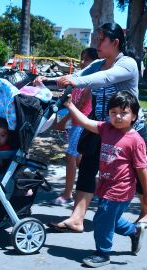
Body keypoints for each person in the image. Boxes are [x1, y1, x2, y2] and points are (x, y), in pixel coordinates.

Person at [38, 23, 147, 232]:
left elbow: (103, 78)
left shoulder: (127, 64)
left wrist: (76, 82)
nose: (96, 43)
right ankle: (77, 218)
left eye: (101, 39)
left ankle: (146, 212)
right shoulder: (98, 63)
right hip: (100, 125)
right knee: (88, 166)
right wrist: (47, 80)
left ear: (115, 42)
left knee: (136, 171)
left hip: (128, 130)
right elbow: (77, 76)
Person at [64, 90, 147, 267]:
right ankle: (134, 231)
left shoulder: (135, 140)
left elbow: (141, 169)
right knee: (110, 219)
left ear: (134, 116)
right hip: (105, 185)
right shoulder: (106, 129)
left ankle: (102, 253)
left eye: (124, 112)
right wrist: (69, 105)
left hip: (121, 189)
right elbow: (85, 122)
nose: (118, 116)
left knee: (101, 219)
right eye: (113, 112)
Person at [51, 48, 98, 207]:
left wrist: (63, 121)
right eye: (82, 59)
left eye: (87, 60)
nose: (83, 62)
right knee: (79, 160)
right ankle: (97, 188)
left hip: (81, 123)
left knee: (71, 156)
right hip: (74, 123)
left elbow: (80, 104)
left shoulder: (91, 82)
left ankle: (67, 194)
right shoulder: (78, 78)